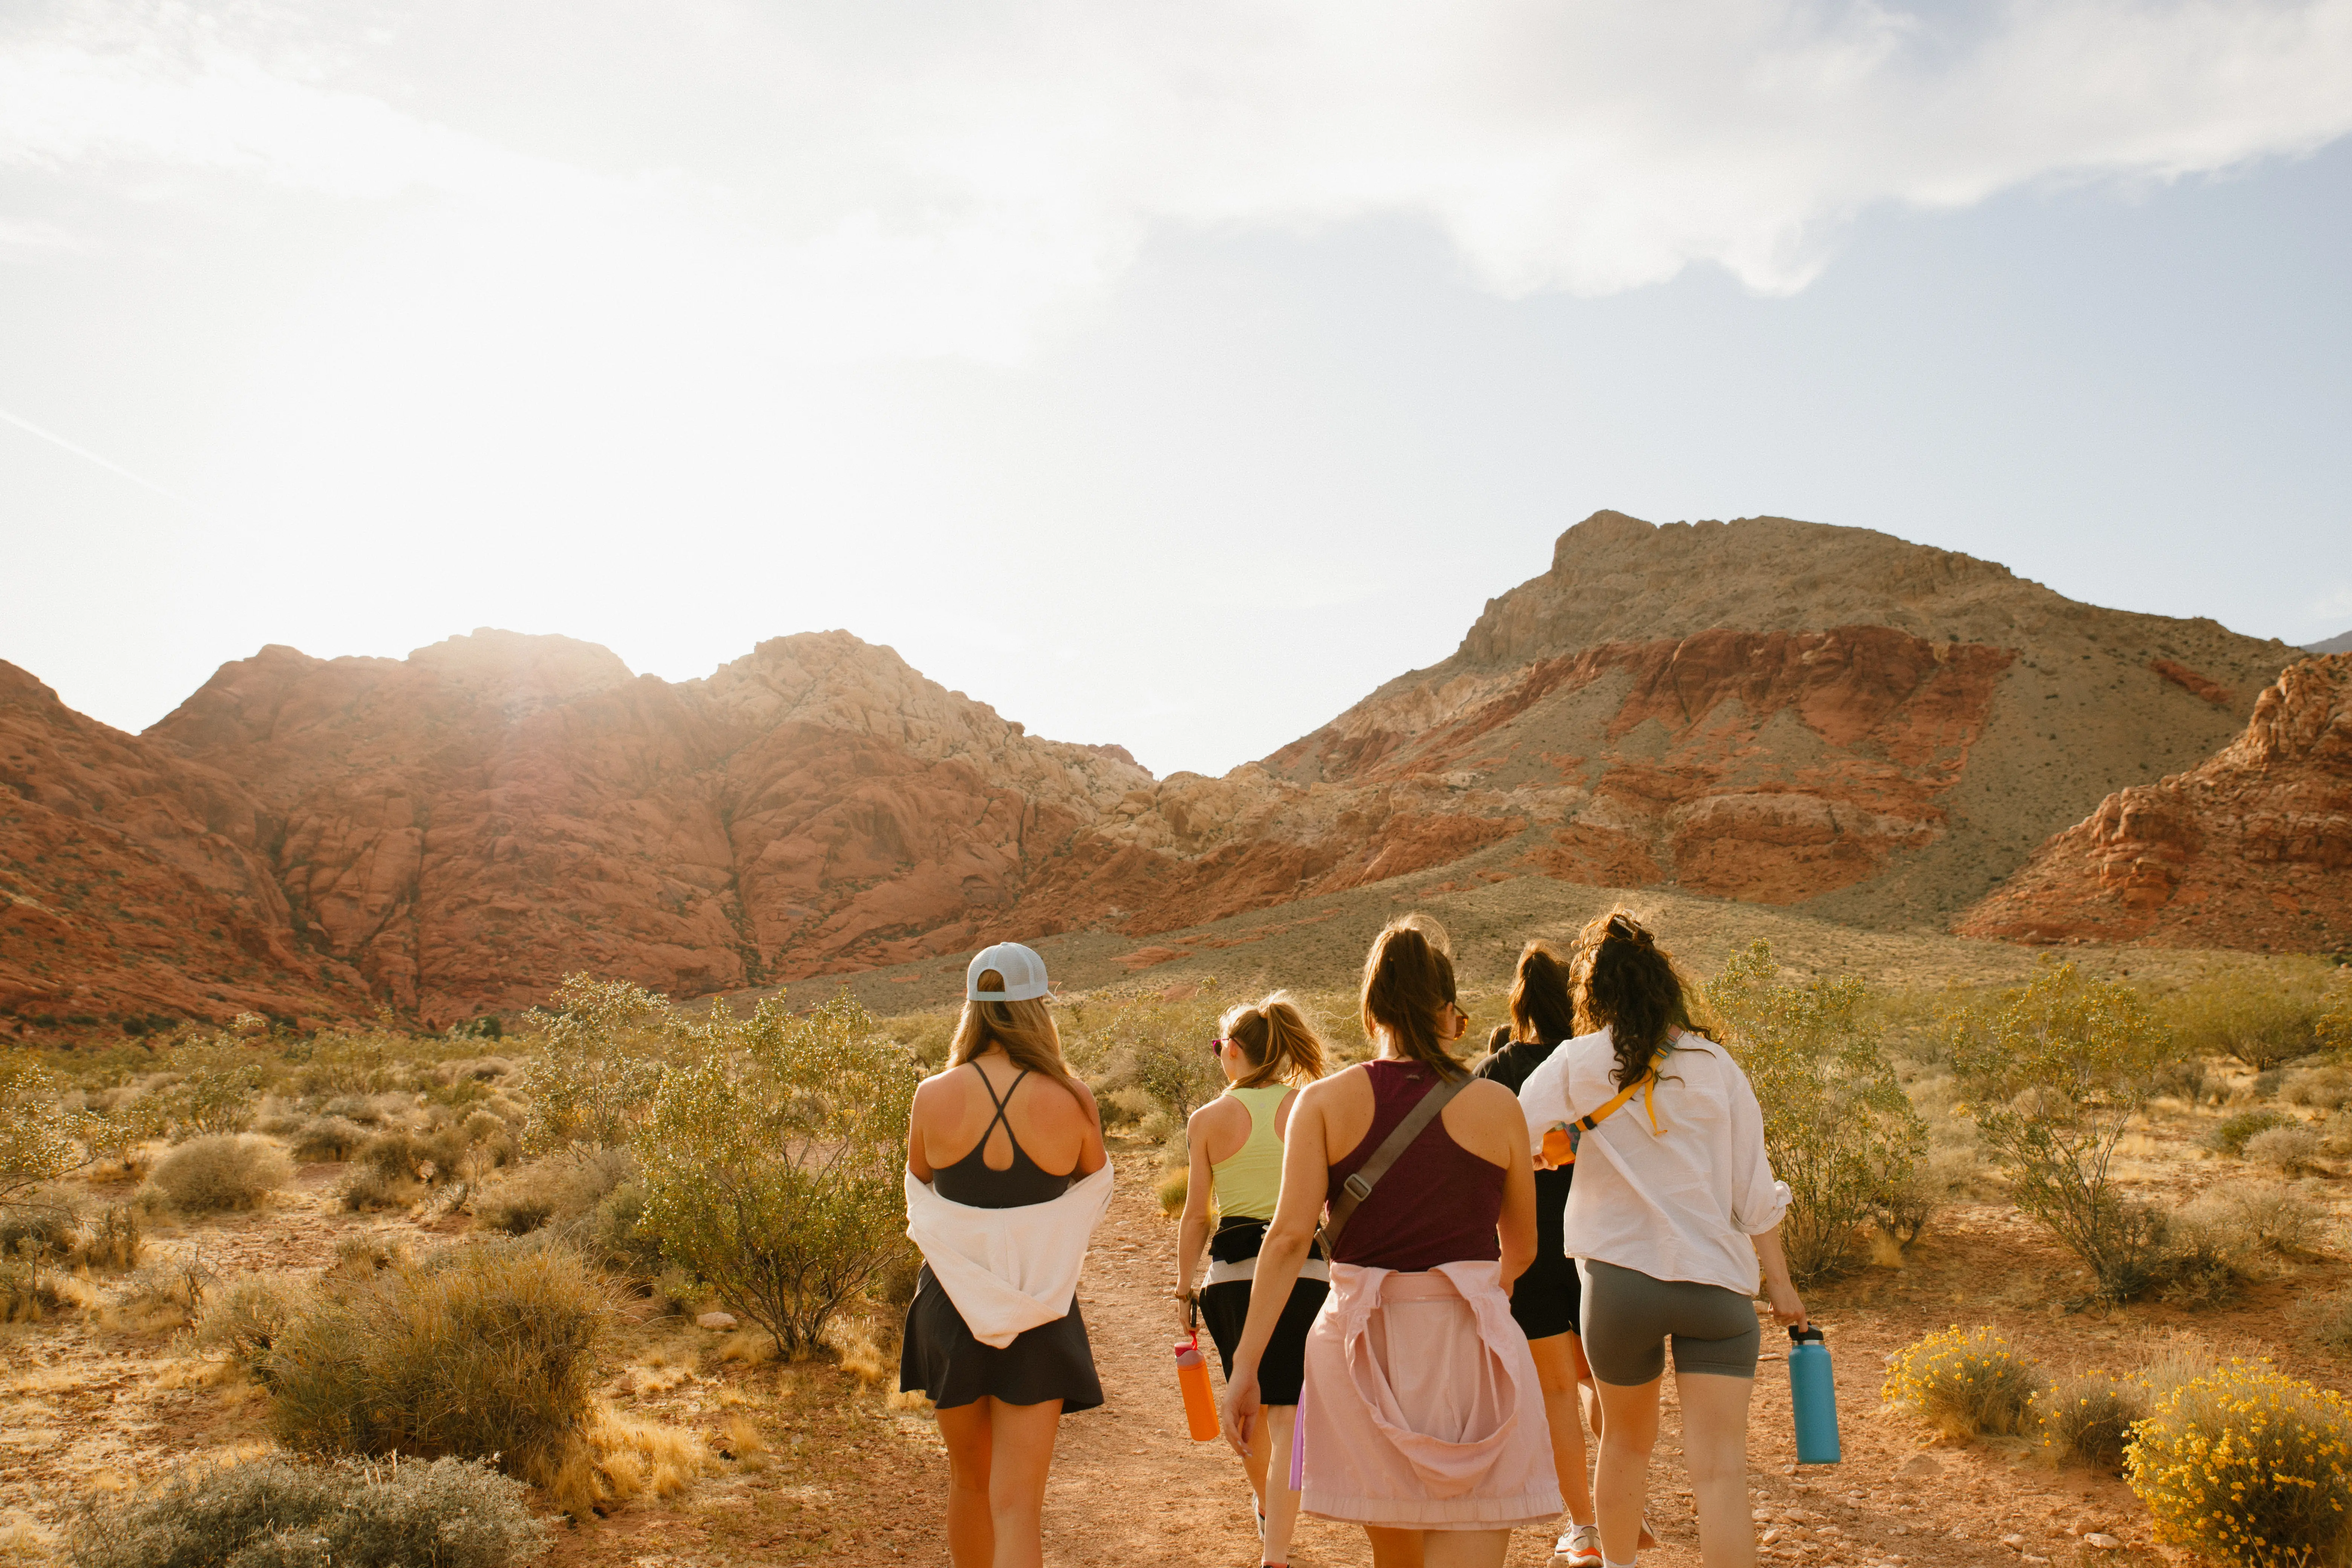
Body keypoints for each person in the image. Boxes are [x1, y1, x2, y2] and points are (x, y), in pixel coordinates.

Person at [1221, 919, 1560, 1568]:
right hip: (1470, 1347)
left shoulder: (1322, 1103)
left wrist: (1246, 1366)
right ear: (1449, 1015)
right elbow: (1521, 1249)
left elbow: (1290, 1239)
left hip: (1361, 1341)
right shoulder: (1498, 1105)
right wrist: (1476, 1295)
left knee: (1397, 1555)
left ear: (1372, 1008)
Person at [1517, 912, 1806, 1568]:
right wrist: (1782, 1286)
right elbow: (1753, 1191)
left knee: (1624, 1443)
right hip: (1717, 1287)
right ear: (1664, 985)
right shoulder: (1717, 1067)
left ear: (1595, 994)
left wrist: (1549, 1152)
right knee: (1721, 1471)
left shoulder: (1577, 1061)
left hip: (1619, 1284)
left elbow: (1515, 1134)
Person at [901, 942, 1111, 1568]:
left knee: (968, 1482)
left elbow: (919, 1186)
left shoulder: (931, 1095)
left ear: (972, 1008)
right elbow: (1094, 1186)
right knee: (1018, 1504)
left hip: (950, 1306)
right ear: (1037, 1008)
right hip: (1038, 1308)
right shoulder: (1073, 1099)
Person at [1175, 994, 1332, 1568]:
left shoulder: (1207, 1120)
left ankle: (1267, 1508)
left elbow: (1196, 1215)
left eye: (1219, 1047)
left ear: (1233, 1051)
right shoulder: (1309, 1106)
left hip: (1234, 1279)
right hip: (1307, 1272)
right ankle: (1277, 1551)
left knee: (1249, 1401)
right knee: (1290, 1412)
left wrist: (1182, 1287)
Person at [1472, 944, 1607, 1568]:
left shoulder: (1497, 1071)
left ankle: (1585, 1526)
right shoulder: (1591, 1064)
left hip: (1528, 1247)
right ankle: (1620, 1501)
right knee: (1604, 1381)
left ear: (1518, 1004)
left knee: (1557, 1390)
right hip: (1601, 1240)